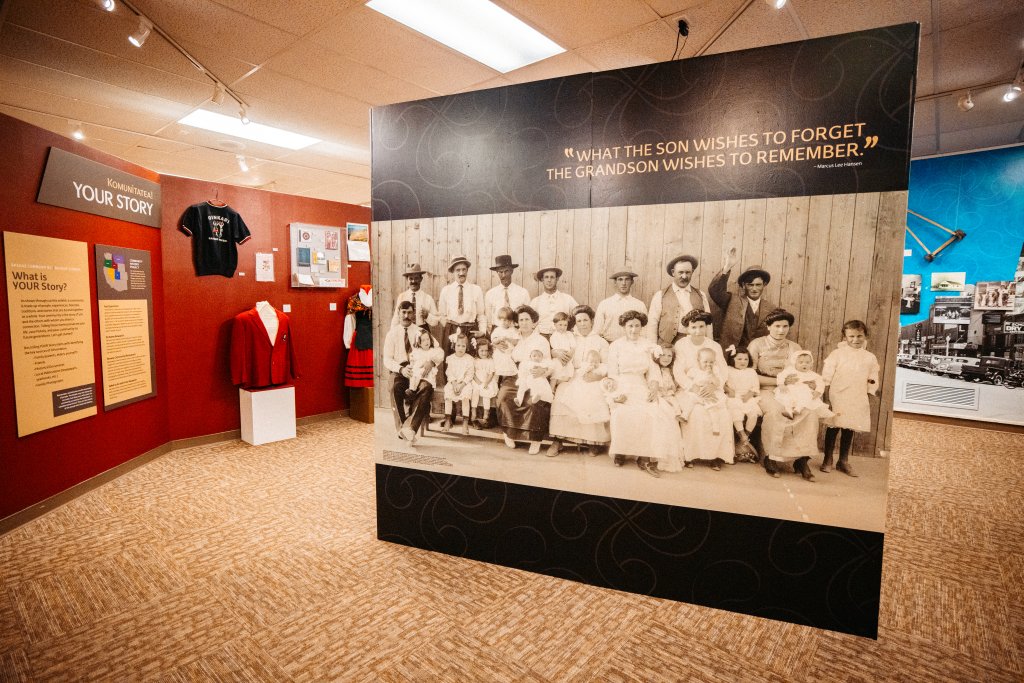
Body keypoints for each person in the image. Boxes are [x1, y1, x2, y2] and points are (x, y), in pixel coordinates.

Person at [606, 310, 683, 477]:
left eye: (637, 326)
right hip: (621, 384)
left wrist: (654, 387)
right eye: (630, 326)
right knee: (621, 413)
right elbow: (612, 373)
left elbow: (653, 371)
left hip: (641, 385)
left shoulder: (648, 345)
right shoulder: (616, 346)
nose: (634, 329)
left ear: (642, 327)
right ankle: (621, 451)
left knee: (650, 413)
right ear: (624, 327)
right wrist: (617, 393)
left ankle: (643, 456)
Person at [748, 308, 819, 481]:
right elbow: (749, 375)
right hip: (764, 389)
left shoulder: (794, 347)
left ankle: (802, 459)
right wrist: (779, 382)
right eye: (777, 326)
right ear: (768, 326)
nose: (781, 330)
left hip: (792, 391)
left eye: (785, 326)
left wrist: (809, 382)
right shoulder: (757, 344)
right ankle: (771, 457)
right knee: (776, 411)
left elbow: (801, 372)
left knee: (809, 412)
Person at [546, 305, 613, 458]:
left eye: (585, 320)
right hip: (571, 374)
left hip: (593, 376)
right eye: (579, 321)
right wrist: (555, 352)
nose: (582, 324)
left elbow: (607, 364)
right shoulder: (570, 338)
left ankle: (593, 441)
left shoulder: (600, 342)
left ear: (592, 321)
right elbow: (557, 351)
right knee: (562, 395)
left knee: (593, 395)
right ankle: (558, 440)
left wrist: (597, 376)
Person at [820, 320, 881, 476]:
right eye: (851, 336)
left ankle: (843, 461)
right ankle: (827, 459)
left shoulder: (869, 357)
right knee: (834, 426)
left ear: (865, 336)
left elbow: (872, 377)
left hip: (857, 396)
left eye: (859, 336)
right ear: (845, 337)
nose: (855, 340)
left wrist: (870, 393)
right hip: (838, 395)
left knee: (849, 426)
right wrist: (826, 398)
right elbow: (827, 376)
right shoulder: (837, 354)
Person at [672, 319, 733, 471]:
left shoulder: (714, 346)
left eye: (701, 327)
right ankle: (691, 455)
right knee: (697, 413)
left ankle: (715, 455)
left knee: (722, 413)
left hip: (712, 387)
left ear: (706, 327)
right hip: (689, 388)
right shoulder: (681, 344)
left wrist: (714, 386)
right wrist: (692, 387)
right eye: (693, 327)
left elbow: (723, 370)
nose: (698, 331)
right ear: (687, 328)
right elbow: (678, 371)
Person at [382, 302, 441, 445]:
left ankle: (410, 428)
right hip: (401, 370)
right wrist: (401, 369)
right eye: (403, 312)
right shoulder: (392, 334)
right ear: (398, 313)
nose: (406, 316)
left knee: (426, 387)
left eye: (409, 312)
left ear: (414, 314)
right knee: (394, 386)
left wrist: (432, 362)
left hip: (419, 370)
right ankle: (403, 428)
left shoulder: (421, 331)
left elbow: (439, 350)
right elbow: (387, 359)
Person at [496, 305, 552, 455]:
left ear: (534, 322)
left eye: (527, 319)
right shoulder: (513, 338)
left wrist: (543, 371)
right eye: (521, 320)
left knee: (535, 401)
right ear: (517, 322)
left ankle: (535, 440)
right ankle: (509, 433)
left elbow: (548, 362)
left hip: (535, 375)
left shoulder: (541, 340)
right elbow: (504, 355)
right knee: (504, 397)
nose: (524, 323)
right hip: (516, 374)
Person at [708, 247, 773, 352]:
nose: (754, 289)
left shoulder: (771, 308)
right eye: (750, 285)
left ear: (764, 285)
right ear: (743, 285)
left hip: (759, 355)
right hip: (733, 354)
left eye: (758, 285)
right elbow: (715, 290)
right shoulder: (732, 301)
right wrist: (727, 267)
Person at [647, 254, 711, 346]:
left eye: (688, 272)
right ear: (673, 272)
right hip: (667, 346)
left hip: (694, 345)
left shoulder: (701, 295)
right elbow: (652, 324)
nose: (684, 276)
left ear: (692, 272)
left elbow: (708, 325)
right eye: (680, 272)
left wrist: (709, 345)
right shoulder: (660, 295)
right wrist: (653, 348)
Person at [437, 255, 487, 353]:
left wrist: (482, 331)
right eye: (458, 270)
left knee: (470, 359)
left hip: (470, 331)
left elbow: (481, 314)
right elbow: (442, 315)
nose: (461, 273)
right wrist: (449, 329)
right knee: (450, 359)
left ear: (467, 270)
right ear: (453, 271)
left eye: (464, 269)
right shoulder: (446, 290)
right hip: (451, 330)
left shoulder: (476, 290)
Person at [773, 350, 834, 419]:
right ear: (795, 363)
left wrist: (818, 391)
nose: (804, 364)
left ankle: (798, 409)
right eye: (801, 362)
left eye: (807, 362)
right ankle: (788, 411)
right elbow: (781, 376)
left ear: (811, 364)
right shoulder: (790, 370)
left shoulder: (811, 374)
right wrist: (781, 384)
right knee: (786, 397)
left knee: (806, 397)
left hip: (802, 390)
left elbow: (820, 382)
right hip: (790, 389)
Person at [724, 347, 761, 459]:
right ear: (732, 359)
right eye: (739, 359)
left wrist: (750, 394)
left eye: (746, 359)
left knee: (753, 413)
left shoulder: (751, 372)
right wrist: (728, 389)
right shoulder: (728, 370)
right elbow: (721, 383)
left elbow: (755, 387)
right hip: (733, 397)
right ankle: (742, 434)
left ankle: (745, 437)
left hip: (747, 397)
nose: (743, 362)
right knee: (736, 413)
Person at [593, 270, 647, 343]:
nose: (623, 283)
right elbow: (597, 330)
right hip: (609, 344)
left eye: (627, 279)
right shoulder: (605, 304)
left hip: (632, 345)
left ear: (632, 282)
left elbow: (645, 331)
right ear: (615, 282)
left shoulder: (639, 305)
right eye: (620, 279)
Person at [484, 255, 531, 329]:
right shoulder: (490, 294)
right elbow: (488, 318)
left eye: (506, 271)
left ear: (512, 271)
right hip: (497, 330)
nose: (503, 275)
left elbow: (527, 316)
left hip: (517, 330)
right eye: (500, 272)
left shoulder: (523, 292)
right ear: (497, 273)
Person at [442, 334, 475, 434]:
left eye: (463, 346)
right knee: (448, 393)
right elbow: (449, 373)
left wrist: (462, 385)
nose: (460, 348)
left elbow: (470, 374)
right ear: (454, 346)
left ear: (467, 347)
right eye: (458, 345)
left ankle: (465, 423)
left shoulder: (469, 359)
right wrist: (454, 383)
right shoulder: (450, 358)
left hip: (465, 383)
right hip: (453, 383)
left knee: (466, 396)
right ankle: (448, 420)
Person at [530, 267, 578, 336]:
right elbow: (529, 322)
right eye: (546, 277)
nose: (549, 280)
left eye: (552, 277)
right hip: (541, 337)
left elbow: (579, 316)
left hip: (562, 337)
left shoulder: (567, 299)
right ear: (542, 279)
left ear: (557, 279)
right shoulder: (535, 301)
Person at [390, 263, 438, 328]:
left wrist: (427, 316)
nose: (413, 281)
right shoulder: (402, 297)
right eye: (411, 278)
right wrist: (393, 332)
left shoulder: (428, 298)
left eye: (416, 278)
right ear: (407, 279)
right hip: (406, 330)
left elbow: (436, 322)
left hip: (422, 330)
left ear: (421, 279)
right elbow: (396, 318)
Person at [471, 340, 498, 430]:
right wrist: (478, 382)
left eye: (486, 350)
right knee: (475, 391)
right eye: (481, 351)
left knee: (486, 393)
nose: (484, 353)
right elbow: (472, 373)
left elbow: (491, 373)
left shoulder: (490, 361)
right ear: (477, 350)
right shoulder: (475, 361)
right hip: (476, 381)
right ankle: (473, 412)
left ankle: (486, 414)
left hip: (487, 381)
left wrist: (486, 382)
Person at [406, 328, 439, 397]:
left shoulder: (432, 351)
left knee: (423, 379)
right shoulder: (417, 351)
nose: (426, 342)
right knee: (414, 374)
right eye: (423, 340)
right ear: (419, 343)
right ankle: (412, 390)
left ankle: (414, 391)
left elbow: (437, 358)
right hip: (418, 370)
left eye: (428, 339)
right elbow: (412, 359)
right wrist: (411, 365)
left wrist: (431, 362)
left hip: (427, 372)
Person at [548, 311, 576, 392]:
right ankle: (551, 389)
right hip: (559, 358)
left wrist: (569, 355)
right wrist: (561, 358)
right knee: (555, 371)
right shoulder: (554, 336)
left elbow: (573, 346)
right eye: (560, 325)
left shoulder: (569, 334)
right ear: (555, 325)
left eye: (565, 325)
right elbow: (556, 349)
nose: (563, 327)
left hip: (568, 357)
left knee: (568, 374)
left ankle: (562, 386)